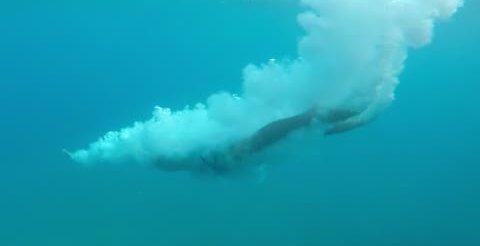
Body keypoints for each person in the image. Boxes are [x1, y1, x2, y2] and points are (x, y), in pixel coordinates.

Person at [152, 105, 367, 174]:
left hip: (232, 152)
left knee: (308, 124)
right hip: (229, 154)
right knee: (311, 128)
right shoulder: (192, 158)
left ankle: (316, 116)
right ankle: (318, 117)